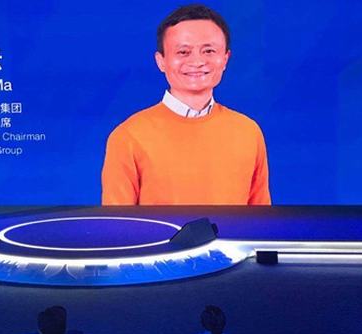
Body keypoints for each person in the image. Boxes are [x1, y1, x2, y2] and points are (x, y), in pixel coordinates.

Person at [101, 4, 271, 205]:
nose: (197, 62)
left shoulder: (248, 132)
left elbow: (261, 219)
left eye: (209, 51)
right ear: (161, 61)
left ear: (225, 58)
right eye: (183, 52)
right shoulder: (128, 137)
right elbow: (117, 223)